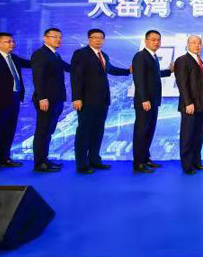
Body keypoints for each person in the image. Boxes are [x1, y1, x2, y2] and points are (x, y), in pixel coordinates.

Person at [70, 29, 130, 174]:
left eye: (101, 38)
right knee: (84, 131)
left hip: (102, 100)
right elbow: (76, 76)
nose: (98, 40)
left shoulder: (103, 55)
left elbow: (111, 69)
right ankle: (81, 164)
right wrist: (76, 97)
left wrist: (128, 71)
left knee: (98, 131)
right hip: (86, 100)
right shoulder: (81, 54)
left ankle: (95, 160)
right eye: (95, 37)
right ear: (89, 39)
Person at [0, 32, 30, 172]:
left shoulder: (14, 58)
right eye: (9, 41)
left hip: (15, 98)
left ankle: (4, 158)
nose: (12, 44)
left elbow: (31, 64)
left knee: (9, 130)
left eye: (12, 41)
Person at [174, 35, 203, 175]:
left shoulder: (199, 61)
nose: (197, 45)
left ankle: (196, 162)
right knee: (188, 135)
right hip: (190, 105)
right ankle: (187, 166)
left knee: (198, 135)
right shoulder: (182, 60)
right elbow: (182, 83)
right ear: (187, 44)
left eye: (199, 43)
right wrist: (188, 102)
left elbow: (201, 77)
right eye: (193, 43)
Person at [30, 27, 70, 173]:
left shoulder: (55, 55)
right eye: (55, 37)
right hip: (46, 100)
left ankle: (44, 159)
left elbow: (69, 68)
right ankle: (39, 163)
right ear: (45, 38)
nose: (58, 39)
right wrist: (42, 98)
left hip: (56, 99)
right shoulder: (40, 54)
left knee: (48, 131)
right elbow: (38, 77)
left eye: (60, 37)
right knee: (42, 131)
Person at [131, 30, 172, 173]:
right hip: (145, 102)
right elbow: (139, 79)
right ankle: (138, 164)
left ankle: (145, 159)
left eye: (158, 40)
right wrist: (144, 99)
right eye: (153, 39)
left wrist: (169, 71)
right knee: (141, 132)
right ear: (146, 41)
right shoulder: (140, 56)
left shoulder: (153, 57)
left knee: (149, 130)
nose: (156, 42)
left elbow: (154, 75)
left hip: (153, 101)